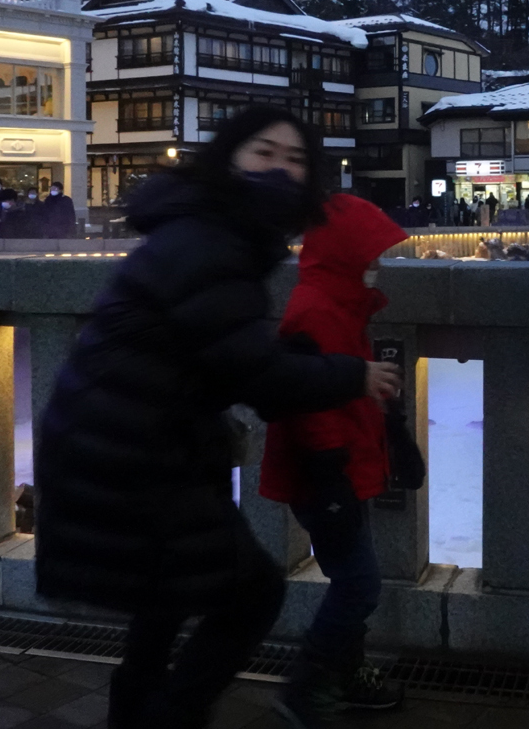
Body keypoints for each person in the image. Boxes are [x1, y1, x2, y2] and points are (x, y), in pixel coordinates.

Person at [34, 107, 402, 729]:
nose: (280, 169)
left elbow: (215, 349)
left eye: (296, 159)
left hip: (128, 443)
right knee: (252, 593)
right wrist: (351, 376)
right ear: (229, 158)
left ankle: (137, 714)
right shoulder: (213, 242)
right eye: (264, 153)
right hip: (129, 453)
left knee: (168, 593)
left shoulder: (214, 231)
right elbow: (255, 377)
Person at [259, 194, 409, 726]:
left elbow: (353, 392)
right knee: (358, 584)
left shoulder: (340, 306)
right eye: (370, 256)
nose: (377, 266)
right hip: (326, 477)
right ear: (346, 255)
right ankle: (307, 685)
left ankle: (344, 674)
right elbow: (312, 406)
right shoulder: (317, 310)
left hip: (340, 471)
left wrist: (395, 439)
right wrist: (330, 478)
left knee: (351, 578)